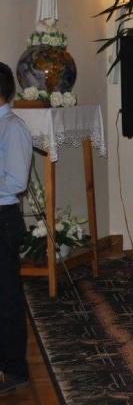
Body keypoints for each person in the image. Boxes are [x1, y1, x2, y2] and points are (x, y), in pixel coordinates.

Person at [0, 62, 33, 395]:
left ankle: (15, 368)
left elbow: (16, 181)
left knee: (6, 296)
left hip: (3, 217)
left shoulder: (12, 128)